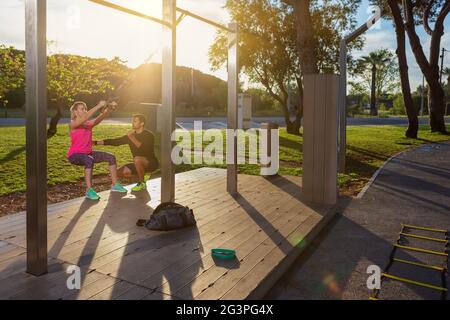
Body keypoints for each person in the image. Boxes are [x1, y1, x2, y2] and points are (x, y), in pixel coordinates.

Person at [67, 101, 127, 200]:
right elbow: (85, 117)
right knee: (89, 159)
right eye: (82, 109)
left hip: (88, 153)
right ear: (75, 112)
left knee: (110, 157)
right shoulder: (73, 124)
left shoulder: (88, 124)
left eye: (85, 108)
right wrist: (98, 105)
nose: (85, 110)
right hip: (75, 155)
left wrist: (109, 109)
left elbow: (100, 118)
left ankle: (115, 184)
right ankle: (89, 190)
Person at [95, 114, 159, 192]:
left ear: (142, 123)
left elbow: (143, 149)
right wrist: (96, 142)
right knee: (116, 173)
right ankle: (142, 175)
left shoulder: (149, 135)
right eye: (133, 121)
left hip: (151, 163)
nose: (132, 123)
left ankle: (142, 183)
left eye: (135, 121)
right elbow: (115, 142)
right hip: (137, 164)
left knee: (137, 159)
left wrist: (132, 137)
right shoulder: (131, 136)